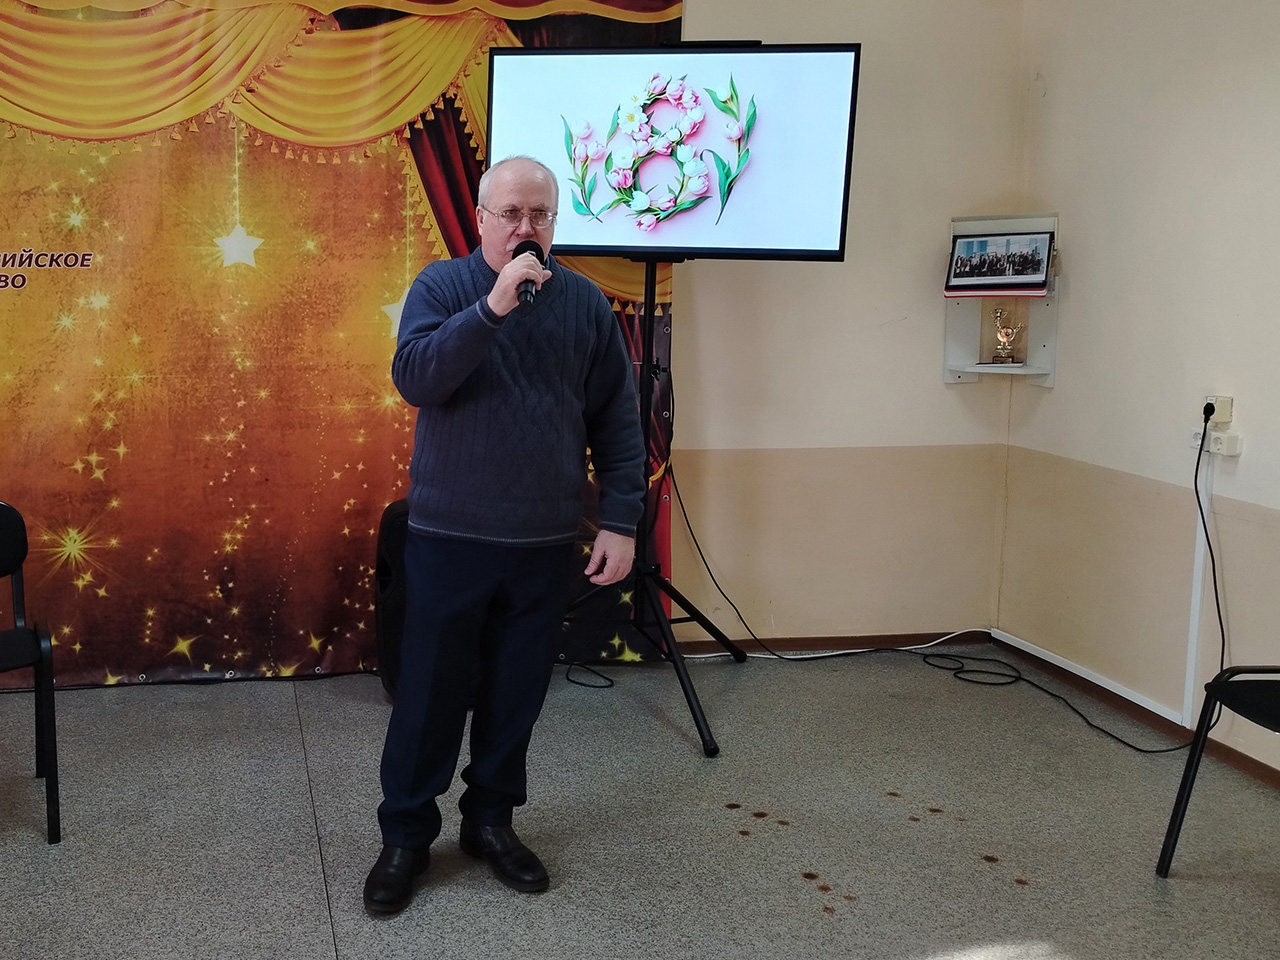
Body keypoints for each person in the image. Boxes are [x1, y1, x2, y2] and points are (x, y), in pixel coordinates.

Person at [364, 156, 646, 914]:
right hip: (448, 536)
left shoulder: (584, 304)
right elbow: (417, 379)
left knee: (516, 695)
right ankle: (406, 836)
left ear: (555, 222)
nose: (527, 227)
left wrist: (620, 522)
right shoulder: (442, 287)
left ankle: (490, 821)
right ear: (482, 219)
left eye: (540, 215)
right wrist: (491, 308)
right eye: (512, 213)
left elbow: (617, 424)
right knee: (428, 695)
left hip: (542, 541)